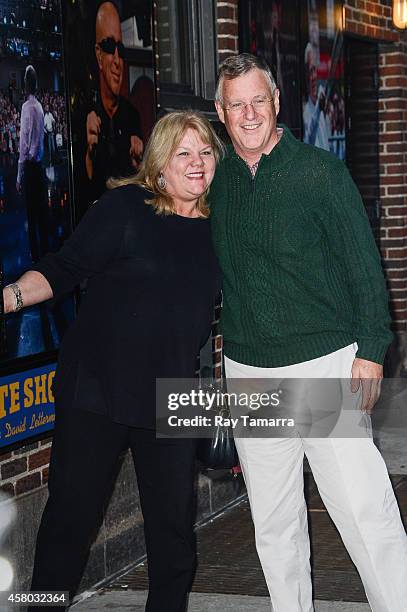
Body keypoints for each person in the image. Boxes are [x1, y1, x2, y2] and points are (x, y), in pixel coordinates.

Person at [3, 110, 223, 612]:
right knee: (66, 527)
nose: (196, 163)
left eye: (205, 152)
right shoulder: (124, 209)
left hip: (170, 397)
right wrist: (10, 297)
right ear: (159, 164)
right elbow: (62, 268)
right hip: (95, 394)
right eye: (182, 153)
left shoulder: (219, 227)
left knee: (173, 535)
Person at [210, 53, 407, 612]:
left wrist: (371, 351)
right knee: (274, 523)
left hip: (321, 362)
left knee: (363, 513)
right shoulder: (217, 182)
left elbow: (365, 268)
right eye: (236, 105)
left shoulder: (320, 173)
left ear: (276, 105)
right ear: (221, 113)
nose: (249, 114)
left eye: (258, 102)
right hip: (250, 370)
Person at [85, 1, 144, 199]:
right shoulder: (86, 115)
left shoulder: (132, 115)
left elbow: (141, 185)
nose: (117, 61)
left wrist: (138, 165)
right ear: (98, 54)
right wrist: (90, 152)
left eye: (121, 49)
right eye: (110, 47)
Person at [16, 65, 48, 262]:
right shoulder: (41, 107)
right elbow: (40, 141)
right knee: (42, 214)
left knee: (31, 214)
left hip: (29, 168)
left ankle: (35, 257)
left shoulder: (27, 108)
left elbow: (23, 144)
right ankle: (44, 255)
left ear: (26, 85)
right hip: (40, 167)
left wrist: (19, 176)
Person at [303, 42, 330, 151]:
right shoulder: (305, 113)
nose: (313, 77)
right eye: (310, 71)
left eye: (314, 70)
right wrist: (319, 109)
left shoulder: (320, 105)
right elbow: (308, 141)